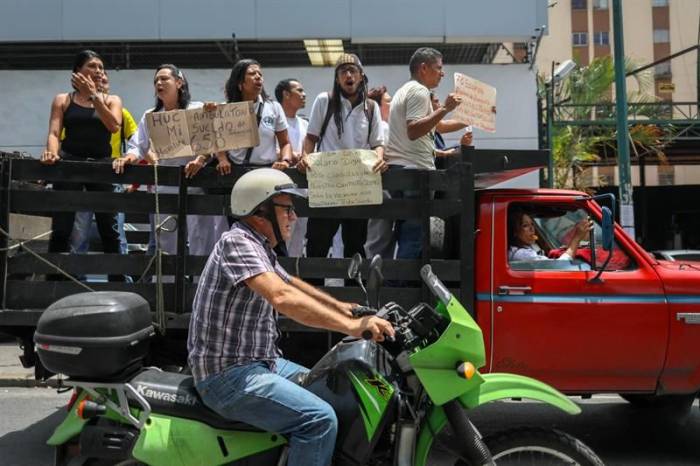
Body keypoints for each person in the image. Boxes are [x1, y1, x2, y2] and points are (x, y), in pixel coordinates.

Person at [188, 168, 394, 466]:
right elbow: (281, 297)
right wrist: (352, 327)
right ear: (260, 212)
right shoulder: (237, 243)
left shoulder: (259, 247)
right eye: (286, 209)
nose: (293, 217)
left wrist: (345, 308)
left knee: (328, 385)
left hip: (260, 361)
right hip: (227, 376)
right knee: (319, 420)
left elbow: (291, 285)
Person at [112, 64, 228, 259]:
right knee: (166, 250)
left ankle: (199, 289)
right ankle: (166, 289)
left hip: (196, 188)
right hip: (165, 190)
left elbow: (214, 141)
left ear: (179, 83)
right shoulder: (151, 116)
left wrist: (200, 159)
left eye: (164, 79)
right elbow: (137, 146)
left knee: (203, 247)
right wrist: (127, 158)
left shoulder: (198, 109)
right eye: (156, 80)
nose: (159, 83)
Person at [40, 50, 124, 281]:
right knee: (62, 227)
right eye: (92, 66)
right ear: (78, 71)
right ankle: (54, 283)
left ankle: (117, 283)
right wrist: (51, 153)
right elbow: (54, 132)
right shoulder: (62, 100)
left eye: (101, 67)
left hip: (100, 167)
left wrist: (94, 95)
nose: (98, 71)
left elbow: (114, 126)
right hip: (70, 164)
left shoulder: (111, 99)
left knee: (109, 228)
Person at [298, 53, 386, 266]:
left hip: (357, 186)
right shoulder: (324, 101)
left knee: (355, 245)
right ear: (337, 79)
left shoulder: (371, 107)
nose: (348, 75)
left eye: (352, 71)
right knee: (317, 244)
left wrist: (380, 159)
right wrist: (304, 157)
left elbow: (377, 143)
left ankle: (354, 297)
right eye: (343, 72)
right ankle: (313, 295)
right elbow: (311, 137)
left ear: (361, 76)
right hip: (327, 184)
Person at [384, 47, 462, 260]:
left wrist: (472, 118)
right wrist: (445, 108)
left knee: (408, 232)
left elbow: (438, 127)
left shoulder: (406, 90)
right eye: (439, 68)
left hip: (403, 171)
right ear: (423, 68)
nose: (442, 73)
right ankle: (399, 289)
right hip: (414, 174)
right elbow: (414, 130)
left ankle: (398, 286)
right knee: (414, 236)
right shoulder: (419, 91)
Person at [70, 73, 138, 258]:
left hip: (112, 176)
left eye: (104, 82)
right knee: (78, 233)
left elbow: (137, 144)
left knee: (115, 233)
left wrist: (131, 158)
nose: (99, 85)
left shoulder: (121, 113)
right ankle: (76, 281)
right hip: (82, 177)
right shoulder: (79, 113)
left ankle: (120, 282)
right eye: (95, 81)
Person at [215, 59, 292, 176]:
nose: (258, 77)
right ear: (240, 82)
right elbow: (218, 141)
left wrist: (285, 161)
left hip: (267, 172)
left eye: (260, 74)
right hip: (236, 173)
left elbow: (285, 143)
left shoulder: (274, 107)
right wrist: (222, 159)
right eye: (252, 74)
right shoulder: (226, 110)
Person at [275, 78, 309, 257]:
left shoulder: (305, 124)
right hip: (281, 191)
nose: (304, 95)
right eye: (299, 91)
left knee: (298, 242)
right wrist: (287, 156)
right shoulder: (274, 121)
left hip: (302, 192)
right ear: (286, 95)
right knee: (281, 240)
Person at [508, 209, 593, 262]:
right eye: (525, 225)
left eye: (532, 224)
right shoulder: (522, 254)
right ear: (515, 232)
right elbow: (561, 265)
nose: (532, 229)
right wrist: (577, 238)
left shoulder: (520, 250)